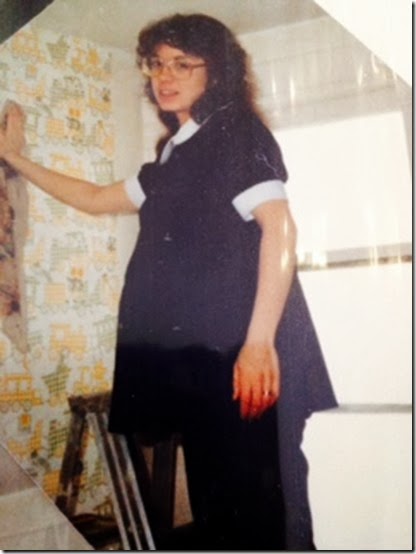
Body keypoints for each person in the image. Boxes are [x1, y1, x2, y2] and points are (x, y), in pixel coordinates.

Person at [0, 13, 337, 550]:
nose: (164, 75)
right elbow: (94, 198)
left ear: (217, 71)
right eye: (156, 64)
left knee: (256, 510)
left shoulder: (234, 132)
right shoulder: (173, 154)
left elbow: (280, 227)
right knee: (218, 506)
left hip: (242, 353)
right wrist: (14, 158)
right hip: (204, 361)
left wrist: (258, 344)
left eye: (182, 64)